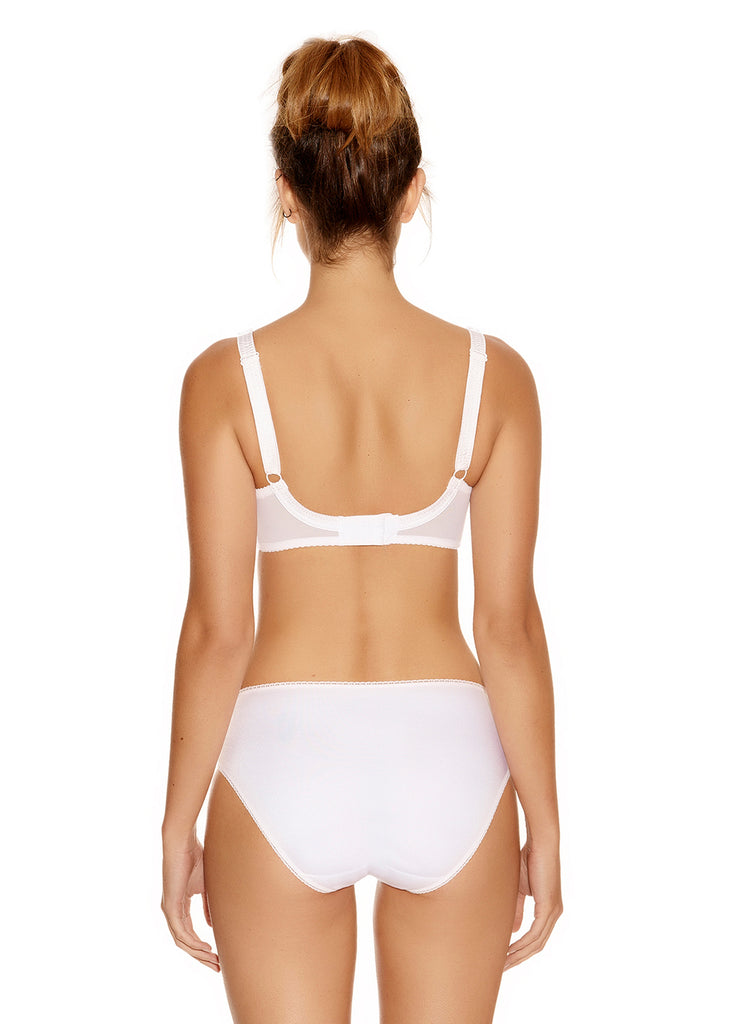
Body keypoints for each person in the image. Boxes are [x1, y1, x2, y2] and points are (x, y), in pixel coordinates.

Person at [161, 34, 562, 1023]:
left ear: (287, 197)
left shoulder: (224, 382)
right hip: (451, 761)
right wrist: (546, 822)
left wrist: (176, 824)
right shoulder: (495, 379)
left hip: (281, 755)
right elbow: (507, 627)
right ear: (410, 192)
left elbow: (218, 630)